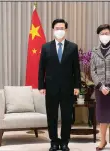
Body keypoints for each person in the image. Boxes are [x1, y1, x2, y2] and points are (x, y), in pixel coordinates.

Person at [38, 19, 81, 151]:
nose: (59, 30)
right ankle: (54, 141)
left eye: (62, 28)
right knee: (52, 115)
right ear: (53, 30)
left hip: (68, 88)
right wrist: (41, 86)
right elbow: (41, 68)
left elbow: (76, 69)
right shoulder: (46, 47)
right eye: (57, 28)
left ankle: (64, 142)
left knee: (67, 116)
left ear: (66, 30)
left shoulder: (73, 47)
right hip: (51, 88)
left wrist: (77, 86)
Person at [90, 24, 110, 151]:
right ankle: (102, 141)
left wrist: (109, 86)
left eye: (107, 33)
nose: (104, 36)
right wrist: (100, 86)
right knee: (102, 117)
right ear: (99, 35)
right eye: (102, 33)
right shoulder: (95, 51)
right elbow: (92, 70)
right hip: (99, 88)